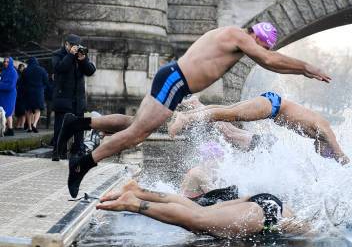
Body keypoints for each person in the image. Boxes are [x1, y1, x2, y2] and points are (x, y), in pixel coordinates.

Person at [56, 23, 331, 198]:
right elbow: (270, 60)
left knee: (134, 125)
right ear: (257, 38)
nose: (260, 52)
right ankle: (82, 164)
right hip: (176, 81)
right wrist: (306, 68)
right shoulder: (238, 35)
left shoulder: (231, 36)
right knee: (138, 133)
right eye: (262, 46)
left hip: (176, 82)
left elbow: (267, 60)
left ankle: (76, 124)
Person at [169, 91, 349, 165]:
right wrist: (343, 161)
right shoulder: (327, 133)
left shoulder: (320, 136)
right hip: (274, 106)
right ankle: (185, 118)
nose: (320, 152)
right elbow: (340, 154)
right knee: (229, 114)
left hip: (272, 105)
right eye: (325, 153)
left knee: (227, 112)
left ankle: (196, 105)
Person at [97, 179, 308, 238]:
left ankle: (138, 191)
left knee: (198, 212)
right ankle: (134, 203)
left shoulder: (310, 224)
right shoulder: (313, 232)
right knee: (197, 220)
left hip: (263, 204)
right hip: (265, 214)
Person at [51, 34, 96, 161]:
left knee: (79, 127)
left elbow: (90, 71)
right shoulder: (57, 55)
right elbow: (60, 68)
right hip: (63, 97)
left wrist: (83, 60)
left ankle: (79, 151)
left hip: (78, 99)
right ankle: (57, 152)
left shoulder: (80, 56)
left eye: (77, 46)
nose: (75, 48)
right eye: (73, 46)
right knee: (60, 127)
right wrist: (70, 55)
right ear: (66, 44)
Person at [22, 57, 49, 133]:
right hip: (38, 92)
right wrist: (43, 88)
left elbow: (21, 82)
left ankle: (30, 128)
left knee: (28, 110)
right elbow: (46, 81)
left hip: (28, 92)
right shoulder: (42, 70)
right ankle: (34, 124)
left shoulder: (25, 70)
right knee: (38, 110)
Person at [0, 57, 18, 137]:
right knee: (6, 112)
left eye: (7, 62)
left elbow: (11, 86)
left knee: (7, 112)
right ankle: (10, 129)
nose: (5, 63)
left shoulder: (13, 72)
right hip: (3, 94)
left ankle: (9, 129)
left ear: (10, 62)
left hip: (9, 94)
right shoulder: (4, 71)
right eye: (4, 61)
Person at [14, 63, 27, 131]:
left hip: (20, 94)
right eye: (22, 67)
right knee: (21, 111)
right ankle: (20, 125)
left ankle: (21, 125)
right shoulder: (22, 75)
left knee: (21, 111)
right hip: (21, 94)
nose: (22, 69)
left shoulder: (19, 75)